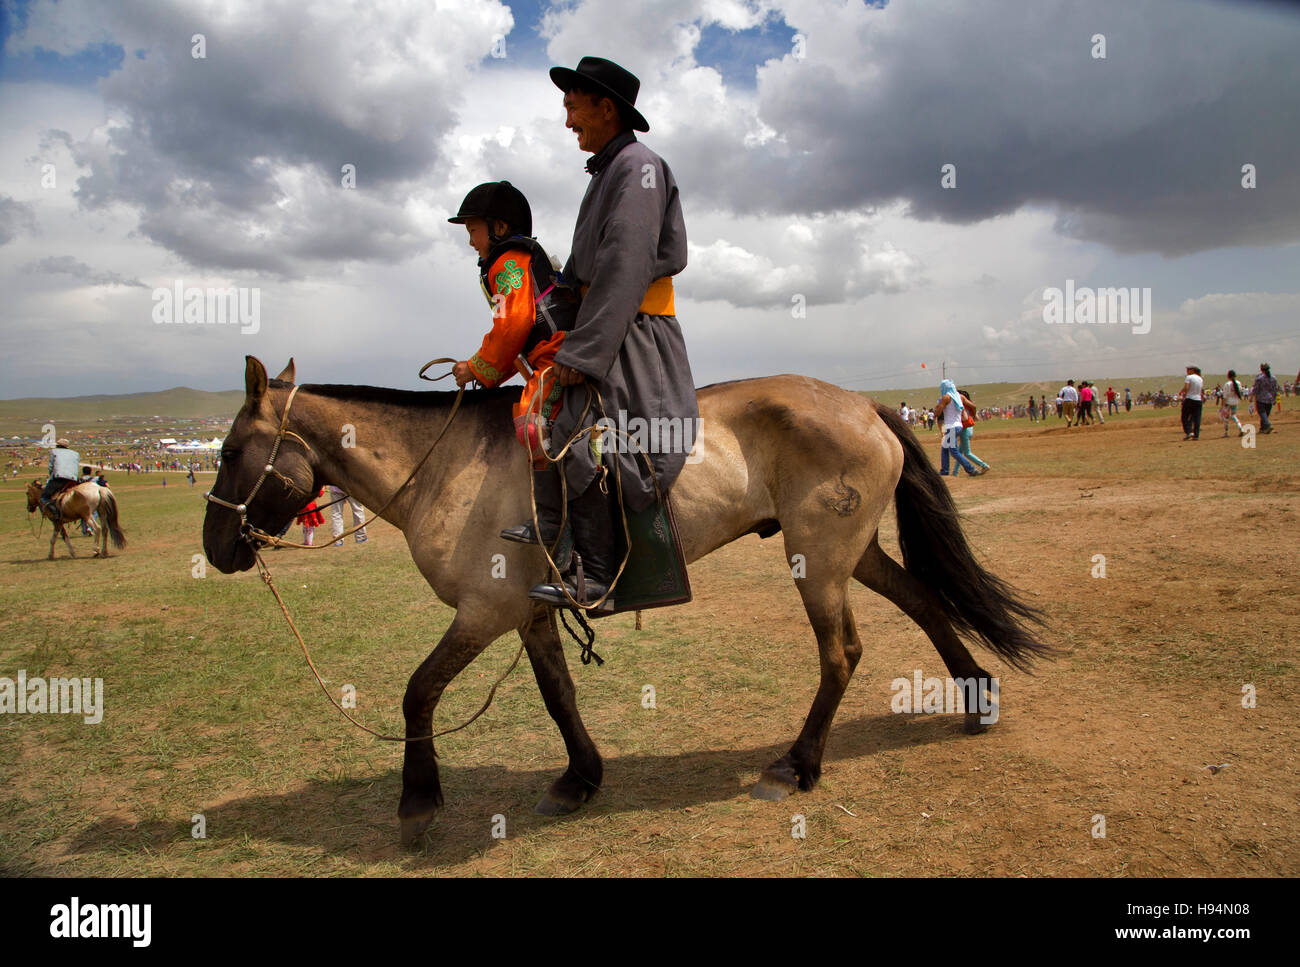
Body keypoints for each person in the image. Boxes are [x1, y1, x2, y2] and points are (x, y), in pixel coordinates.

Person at [526, 56, 697, 610]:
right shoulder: (611, 170)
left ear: (606, 108)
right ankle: (555, 529)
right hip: (610, 322)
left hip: (633, 331)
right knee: (544, 408)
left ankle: (597, 576)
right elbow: (590, 271)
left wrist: (585, 352)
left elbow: (625, 265)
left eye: (573, 107)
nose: (567, 121)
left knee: (578, 430)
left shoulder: (638, 166)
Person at [448, 180, 576, 500]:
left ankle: (550, 515)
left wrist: (476, 368)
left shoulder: (507, 261)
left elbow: (512, 326)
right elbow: (516, 345)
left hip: (556, 355)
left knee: (531, 422)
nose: (471, 242)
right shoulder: (512, 260)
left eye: (473, 231)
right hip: (546, 354)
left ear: (499, 226)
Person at [936, 379, 982, 476]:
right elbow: (973, 406)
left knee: (953, 451)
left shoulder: (946, 398)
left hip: (951, 427)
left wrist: (938, 407)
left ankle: (971, 469)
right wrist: (973, 416)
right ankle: (944, 471)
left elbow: (938, 413)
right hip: (958, 426)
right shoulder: (960, 397)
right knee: (944, 448)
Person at [40, 438, 80, 518]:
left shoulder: (54, 452)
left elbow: (51, 467)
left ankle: (55, 512)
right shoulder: (76, 454)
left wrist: (51, 477)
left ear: (58, 445)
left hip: (59, 478)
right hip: (73, 479)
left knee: (44, 497)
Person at [957, 389, 990, 473]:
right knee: (959, 454)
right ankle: (955, 472)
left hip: (965, 429)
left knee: (967, 453)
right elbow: (974, 408)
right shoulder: (968, 405)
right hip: (969, 428)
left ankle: (984, 465)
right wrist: (974, 415)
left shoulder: (962, 405)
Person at [1177, 365, 1204, 440]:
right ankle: (1196, 435)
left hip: (1190, 399)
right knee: (1197, 418)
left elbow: (1186, 387)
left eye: (1188, 370)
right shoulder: (1200, 379)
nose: (1187, 371)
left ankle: (1189, 432)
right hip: (1198, 400)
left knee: (1184, 416)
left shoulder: (1189, 377)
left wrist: (1183, 394)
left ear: (1192, 370)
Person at [1253, 363, 1281, 434]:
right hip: (1270, 398)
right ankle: (1262, 429)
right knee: (1266, 414)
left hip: (1261, 398)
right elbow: (1275, 389)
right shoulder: (1274, 378)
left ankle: (1268, 425)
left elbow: (1256, 388)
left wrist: (1251, 396)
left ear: (1261, 369)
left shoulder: (1259, 378)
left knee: (1262, 413)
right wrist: (1274, 399)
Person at [1221, 369, 1246, 437]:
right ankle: (1240, 427)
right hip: (1235, 401)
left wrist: (1222, 405)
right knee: (1234, 415)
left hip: (1228, 402)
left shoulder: (1227, 384)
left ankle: (1226, 432)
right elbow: (1240, 391)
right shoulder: (1238, 383)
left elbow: (1225, 396)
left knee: (1226, 417)